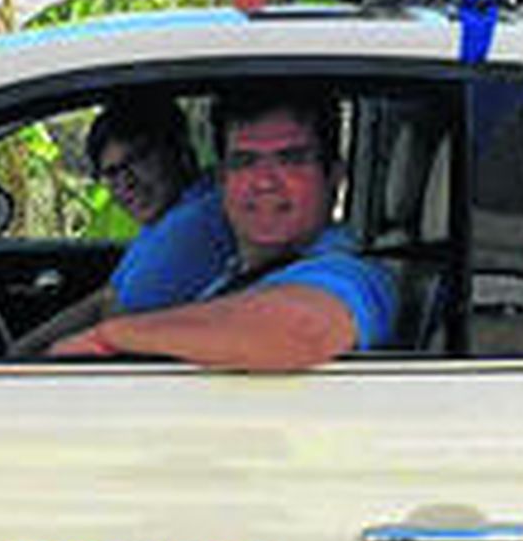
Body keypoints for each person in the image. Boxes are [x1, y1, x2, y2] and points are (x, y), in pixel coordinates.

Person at [49, 88, 399, 369]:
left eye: (291, 159)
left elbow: (302, 329)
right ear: (221, 180)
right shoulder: (231, 270)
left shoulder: (353, 272)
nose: (264, 182)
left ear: (334, 177)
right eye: (244, 162)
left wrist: (106, 337)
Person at [13, 96, 231, 353]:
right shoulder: (170, 213)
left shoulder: (195, 223)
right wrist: (19, 351)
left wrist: (16, 362)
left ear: (178, 150)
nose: (126, 183)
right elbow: (106, 298)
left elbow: (113, 318)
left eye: (138, 159)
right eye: (112, 173)